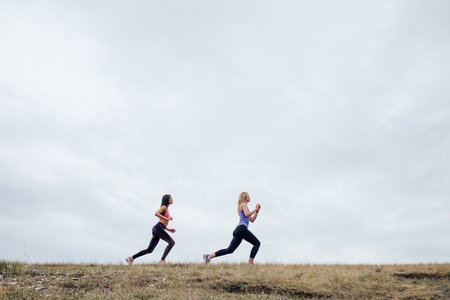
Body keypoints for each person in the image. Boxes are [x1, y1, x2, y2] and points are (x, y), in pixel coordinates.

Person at [203, 192, 261, 264]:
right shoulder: (243, 204)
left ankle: (208, 256)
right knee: (257, 243)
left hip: (238, 230)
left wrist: (257, 212)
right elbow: (246, 215)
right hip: (241, 229)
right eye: (248, 196)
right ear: (244, 197)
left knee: (230, 250)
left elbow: (252, 220)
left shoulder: (245, 207)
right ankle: (250, 263)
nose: (250, 197)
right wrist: (255, 209)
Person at [126, 194, 176, 265]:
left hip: (158, 228)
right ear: (167, 199)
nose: (172, 199)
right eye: (170, 198)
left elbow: (162, 221)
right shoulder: (164, 207)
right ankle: (162, 260)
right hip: (158, 228)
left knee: (149, 250)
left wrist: (169, 229)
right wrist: (167, 218)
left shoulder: (166, 209)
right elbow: (156, 213)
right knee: (171, 242)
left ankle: (131, 258)